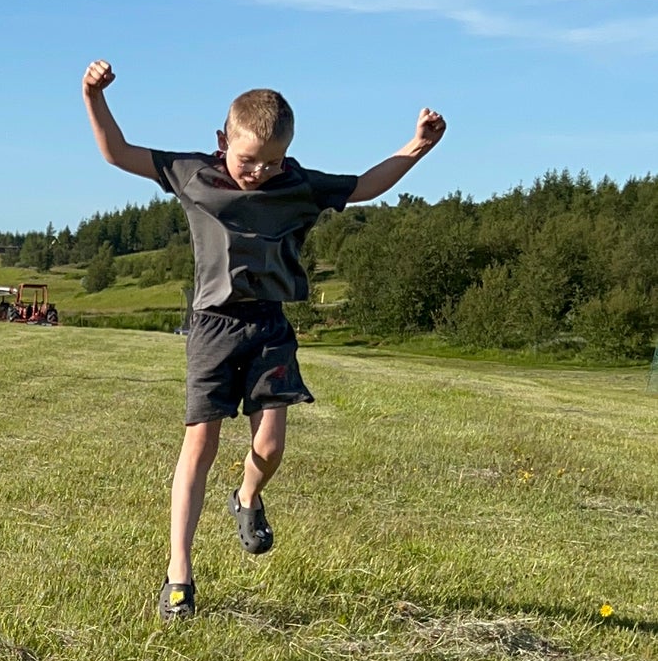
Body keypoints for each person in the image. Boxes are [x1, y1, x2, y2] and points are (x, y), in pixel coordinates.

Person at [81, 62, 447, 620]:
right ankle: (179, 571)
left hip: (270, 325)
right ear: (222, 140)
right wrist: (93, 96)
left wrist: (416, 146)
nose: (258, 171)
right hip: (212, 326)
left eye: (272, 160)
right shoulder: (191, 172)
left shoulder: (297, 184)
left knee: (271, 447)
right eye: (247, 158)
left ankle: (247, 497)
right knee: (198, 446)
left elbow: (366, 185)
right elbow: (117, 152)